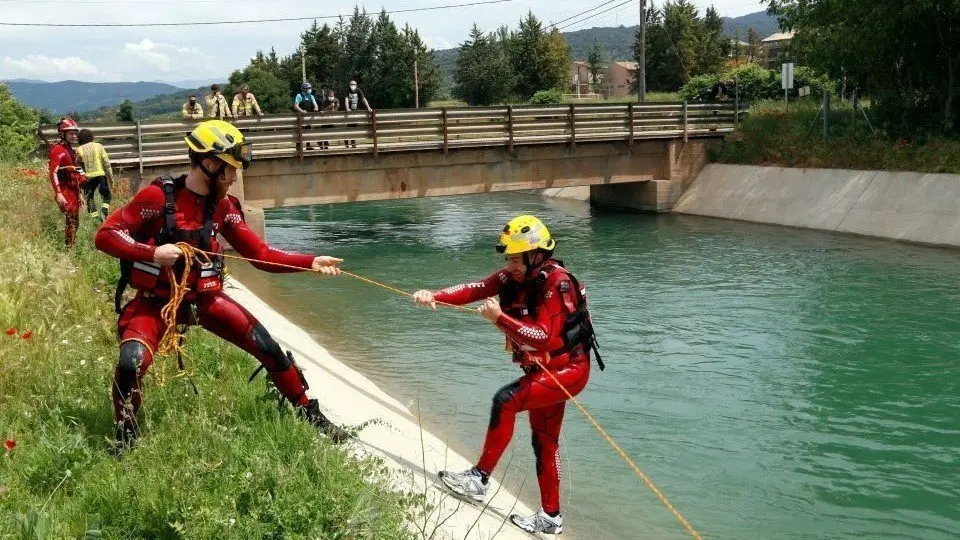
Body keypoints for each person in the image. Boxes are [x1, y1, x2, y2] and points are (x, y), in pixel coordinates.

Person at [94, 119, 348, 447]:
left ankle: (307, 412)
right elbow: (105, 235)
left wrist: (308, 262)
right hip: (157, 303)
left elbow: (260, 254)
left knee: (268, 348)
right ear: (209, 164)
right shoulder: (157, 197)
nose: (234, 177)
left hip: (206, 302)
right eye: (229, 169)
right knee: (131, 364)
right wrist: (154, 252)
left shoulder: (224, 206)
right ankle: (126, 435)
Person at [412, 215, 602, 535]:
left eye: (516, 258)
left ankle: (479, 479)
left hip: (567, 370)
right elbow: (476, 288)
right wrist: (435, 295)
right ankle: (550, 518)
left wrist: (499, 318)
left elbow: (543, 336)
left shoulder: (559, 283)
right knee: (544, 442)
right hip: (544, 369)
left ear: (536, 255)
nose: (510, 265)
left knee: (506, 400)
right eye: (508, 258)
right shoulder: (511, 278)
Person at [48, 117, 87, 245]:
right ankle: (68, 249)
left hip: (73, 191)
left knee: (75, 221)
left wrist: (80, 193)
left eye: (75, 133)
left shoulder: (70, 149)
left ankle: (71, 247)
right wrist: (58, 193)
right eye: (71, 133)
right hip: (65, 191)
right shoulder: (57, 150)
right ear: (62, 134)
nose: (74, 136)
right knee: (71, 221)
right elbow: (53, 172)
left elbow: (75, 171)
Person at [76, 128, 114, 221]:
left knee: (89, 199)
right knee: (107, 195)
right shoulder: (99, 146)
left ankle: (96, 219)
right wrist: (110, 178)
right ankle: (104, 209)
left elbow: (78, 164)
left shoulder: (79, 149)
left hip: (88, 178)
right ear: (91, 137)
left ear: (80, 139)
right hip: (100, 175)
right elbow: (106, 163)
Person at [343, 80, 372, 148]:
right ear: (349, 85)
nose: (352, 85)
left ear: (356, 85)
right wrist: (347, 108)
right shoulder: (347, 91)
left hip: (355, 111)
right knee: (348, 128)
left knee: (354, 128)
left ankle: (353, 143)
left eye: (354, 84)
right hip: (348, 112)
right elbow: (346, 100)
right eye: (351, 84)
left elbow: (363, 99)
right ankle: (346, 143)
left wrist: (368, 107)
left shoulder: (358, 90)